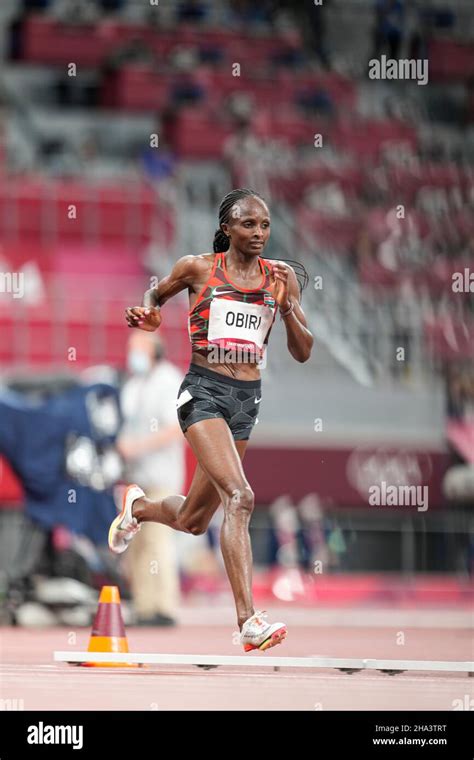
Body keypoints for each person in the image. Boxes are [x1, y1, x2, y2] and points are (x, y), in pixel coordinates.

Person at [109, 187, 314, 652]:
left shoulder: (280, 278)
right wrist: (149, 315)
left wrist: (286, 307)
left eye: (264, 225)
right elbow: (154, 296)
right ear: (227, 228)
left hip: (248, 401)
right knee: (240, 497)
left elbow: (303, 352)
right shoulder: (197, 268)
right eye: (248, 224)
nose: (258, 233)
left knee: (194, 519)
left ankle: (136, 509)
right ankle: (248, 621)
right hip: (202, 394)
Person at [117, 332, 184, 626]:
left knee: (158, 540)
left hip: (160, 475)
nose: (132, 355)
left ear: (154, 350)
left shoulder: (168, 380)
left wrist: (138, 446)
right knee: (137, 543)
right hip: (135, 479)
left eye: (137, 349)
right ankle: (145, 607)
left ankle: (164, 607)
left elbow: (176, 428)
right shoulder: (133, 385)